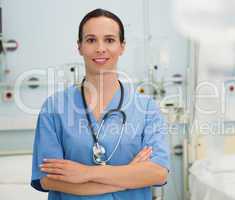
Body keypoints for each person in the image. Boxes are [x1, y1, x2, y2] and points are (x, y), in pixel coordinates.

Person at [31, 8, 170, 200]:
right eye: (91, 40)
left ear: (122, 46)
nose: (100, 48)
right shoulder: (55, 108)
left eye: (110, 40)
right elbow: (49, 179)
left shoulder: (146, 108)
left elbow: (158, 173)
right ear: (79, 46)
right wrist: (129, 176)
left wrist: (86, 173)